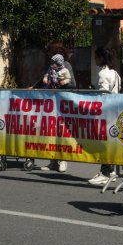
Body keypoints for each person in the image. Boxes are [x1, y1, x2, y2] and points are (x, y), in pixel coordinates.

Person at [39, 42, 76, 173]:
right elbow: (45, 79)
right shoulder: (50, 66)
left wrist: (62, 84)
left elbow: (73, 84)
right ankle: (53, 161)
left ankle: (63, 160)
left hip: (62, 103)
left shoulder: (66, 66)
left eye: (50, 53)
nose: (48, 56)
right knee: (51, 132)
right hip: (51, 103)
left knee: (62, 132)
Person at [88, 46, 122, 185]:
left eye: (96, 57)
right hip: (115, 111)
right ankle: (110, 170)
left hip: (105, 112)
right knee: (110, 142)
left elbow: (102, 94)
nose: (95, 59)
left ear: (101, 58)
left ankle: (105, 172)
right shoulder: (115, 73)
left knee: (103, 142)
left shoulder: (103, 74)